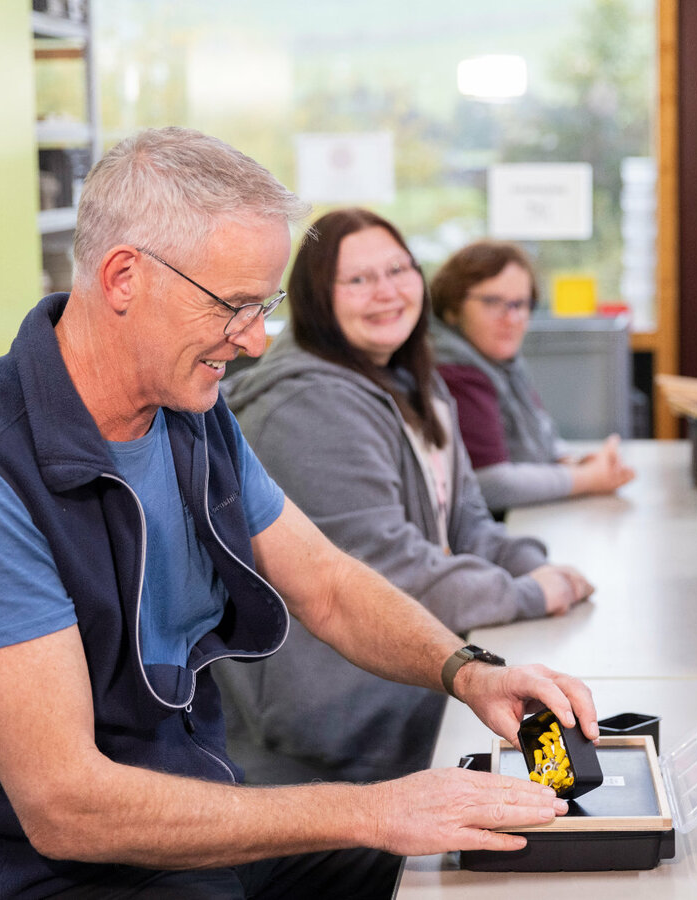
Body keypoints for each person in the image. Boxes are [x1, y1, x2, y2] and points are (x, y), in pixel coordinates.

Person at [0, 127, 597, 899]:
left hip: (197, 839)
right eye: (234, 306)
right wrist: (374, 809)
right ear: (124, 277)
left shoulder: (189, 411)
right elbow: (68, 807)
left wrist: (468, 673)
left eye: (266, 304)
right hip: (62, 881)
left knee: (469, 871)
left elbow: (326, 584)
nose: (255, 341)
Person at [215, 208, 595, 786]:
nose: (387, 292)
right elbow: (389, 568)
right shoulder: (308, 406)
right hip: (337, 731)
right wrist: (525, 594)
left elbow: (466, 521)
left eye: (399, 269)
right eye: (359, 280)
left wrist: (536, 567)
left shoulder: (412, 379)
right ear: (319, 297)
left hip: (410, 685)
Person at [428, 240, 635, 513]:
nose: (512, 318)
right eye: (492, 302)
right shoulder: (456, 372)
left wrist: (576, 461)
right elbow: (491, 483)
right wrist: (589, 478)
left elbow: (540, 439)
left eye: (521, 304)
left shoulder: (504, 364)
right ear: (453, 307)